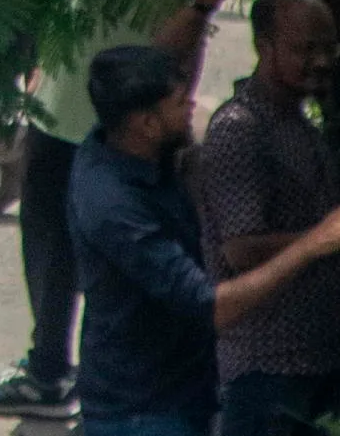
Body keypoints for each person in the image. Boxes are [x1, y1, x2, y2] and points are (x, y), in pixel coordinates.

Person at [79, 39, 340, 436]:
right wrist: (313, 244)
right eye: (181, 103)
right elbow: (209, 307)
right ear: (147, 125)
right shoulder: (115, 208)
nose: (193, 109)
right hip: (142, 410)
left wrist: (205, 4)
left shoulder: (121, 141)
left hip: (181, 388)